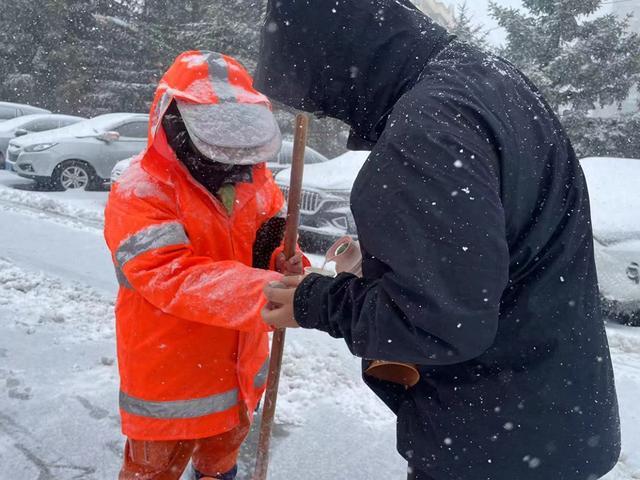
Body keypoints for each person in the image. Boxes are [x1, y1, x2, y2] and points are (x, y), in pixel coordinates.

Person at [257, 1, 621, 479]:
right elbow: (494, 249)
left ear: (334, 62)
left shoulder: (427, 126)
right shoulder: (485, 79)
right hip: (551, 419)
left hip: (491, 446)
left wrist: (318, 301)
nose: (326, 109)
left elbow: (437, 324)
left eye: (314, 92)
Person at [104, 50, 305, 480]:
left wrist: (287, 263)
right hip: (170, 382)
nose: (230, 146)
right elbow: (170, 276)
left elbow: (269, 250)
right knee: (152, 472)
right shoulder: (143, 190)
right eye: (217, 127)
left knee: (221, 467)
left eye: (237, 127)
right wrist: (266, 291)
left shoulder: (260, 187)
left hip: (238, 378)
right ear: (173, 120)